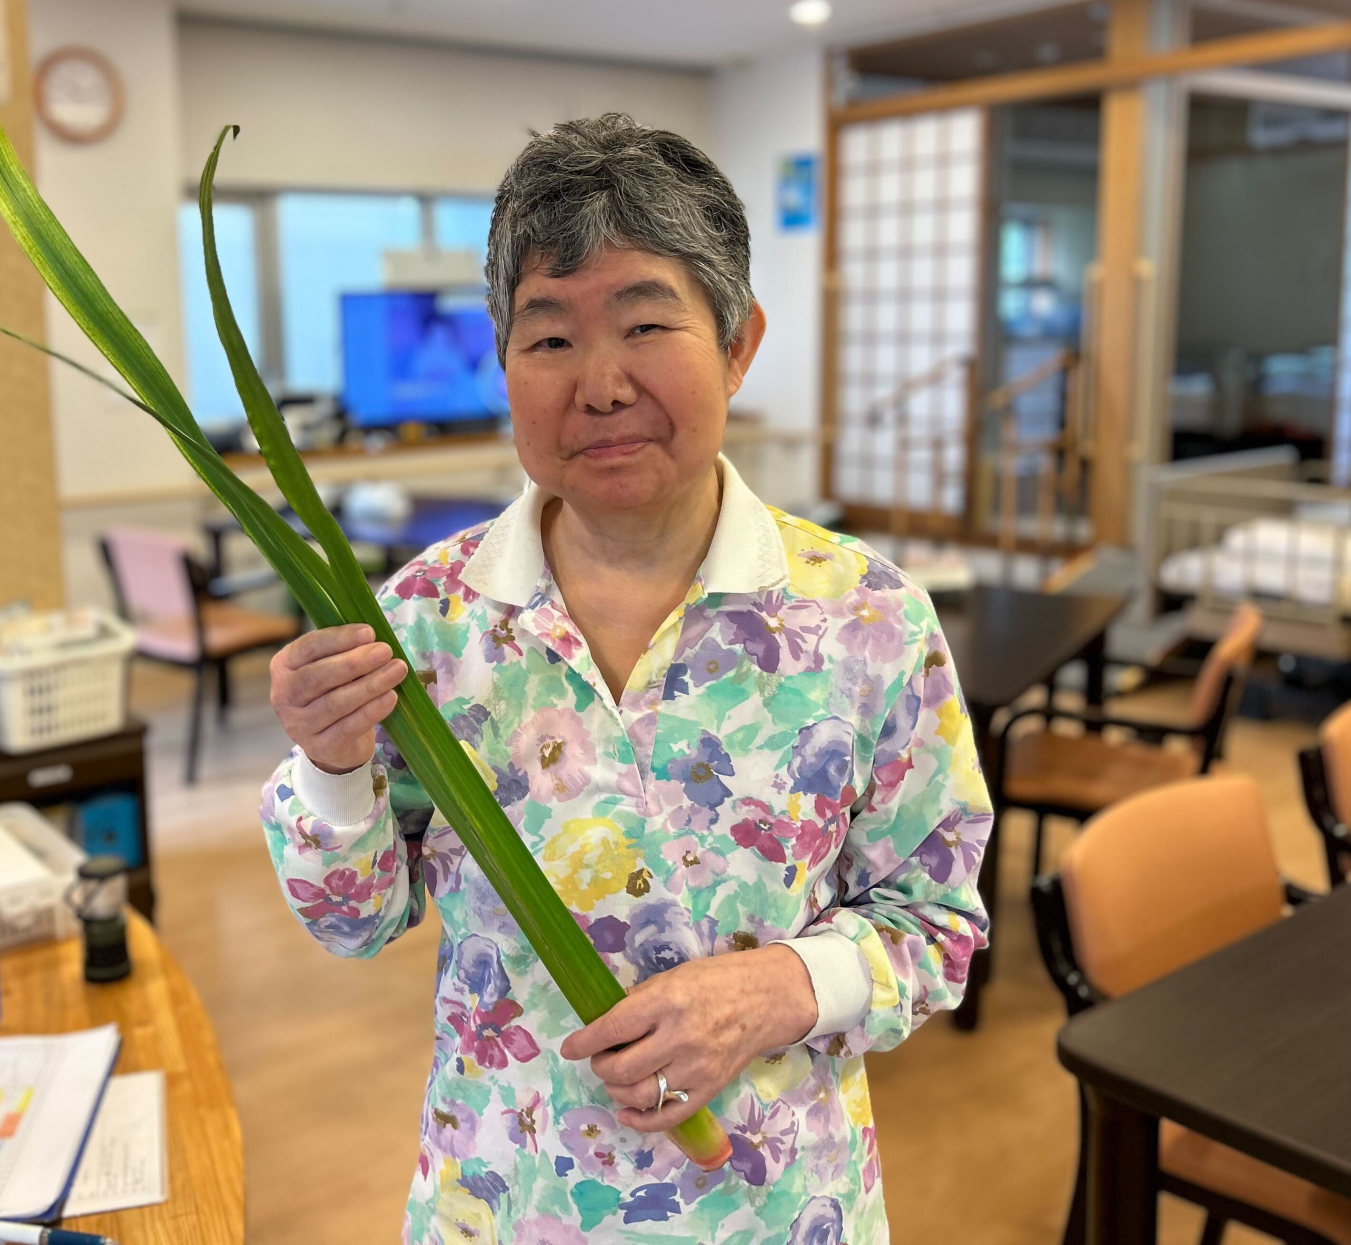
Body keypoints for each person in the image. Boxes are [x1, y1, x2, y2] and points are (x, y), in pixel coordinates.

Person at [260, 115, 990, 1243]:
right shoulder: (428, 621)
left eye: (646, 324)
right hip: (506, 1200)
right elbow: (353, 922)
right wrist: (331, 764)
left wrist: (779, 989)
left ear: (738, 343)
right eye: (549, 338)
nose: (599, 385)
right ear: (504, 364)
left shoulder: (867, 616)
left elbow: (937, 923)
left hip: (775, 1207)